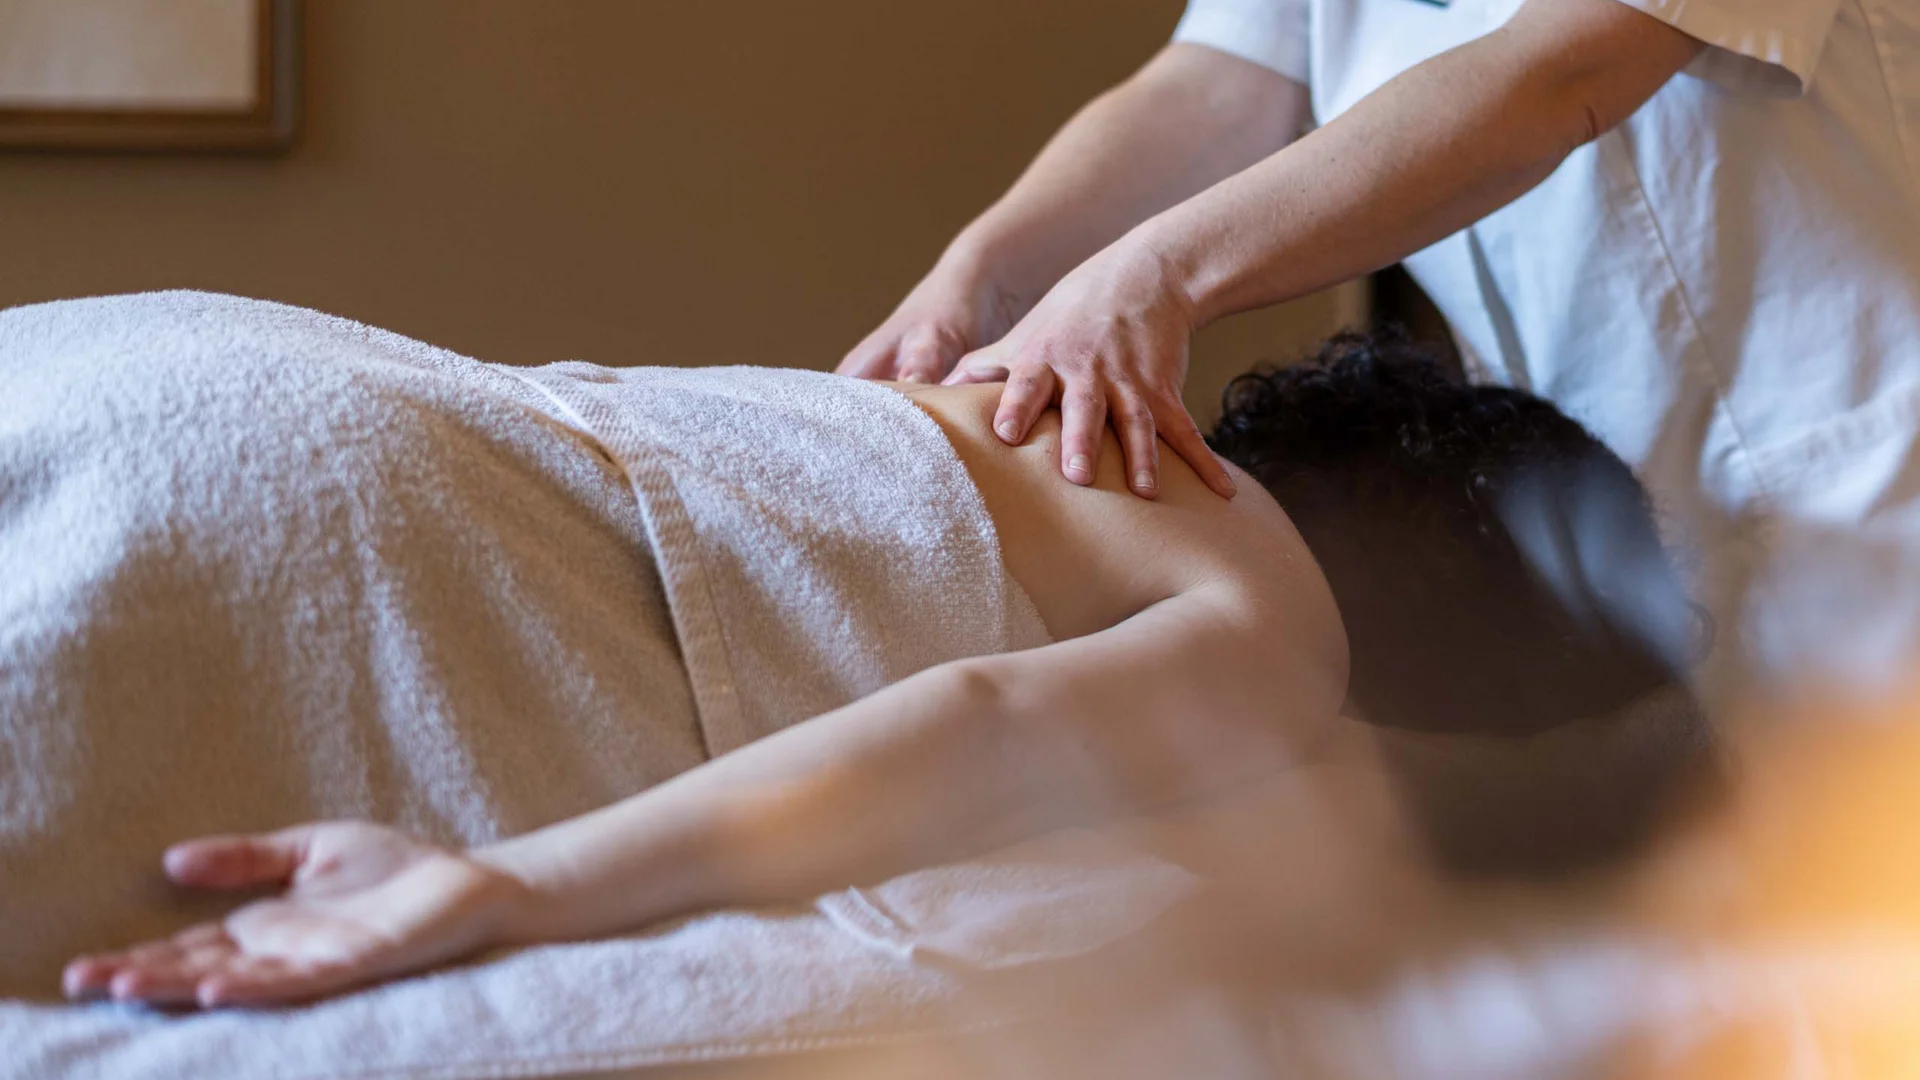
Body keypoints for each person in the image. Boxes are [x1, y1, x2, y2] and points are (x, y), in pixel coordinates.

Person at [0, 293, 1706, 1009]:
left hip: (248, 365)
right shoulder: (1283, 638)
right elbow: (975, 721)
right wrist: (495, 887)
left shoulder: (1071, 410)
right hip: (361, 506)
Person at [841, 0, 1920, 699]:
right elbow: (1222, 83)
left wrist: (1154, 276)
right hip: (1641, 548)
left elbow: (1562, 69)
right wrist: (982, 274)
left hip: (1877, 488)